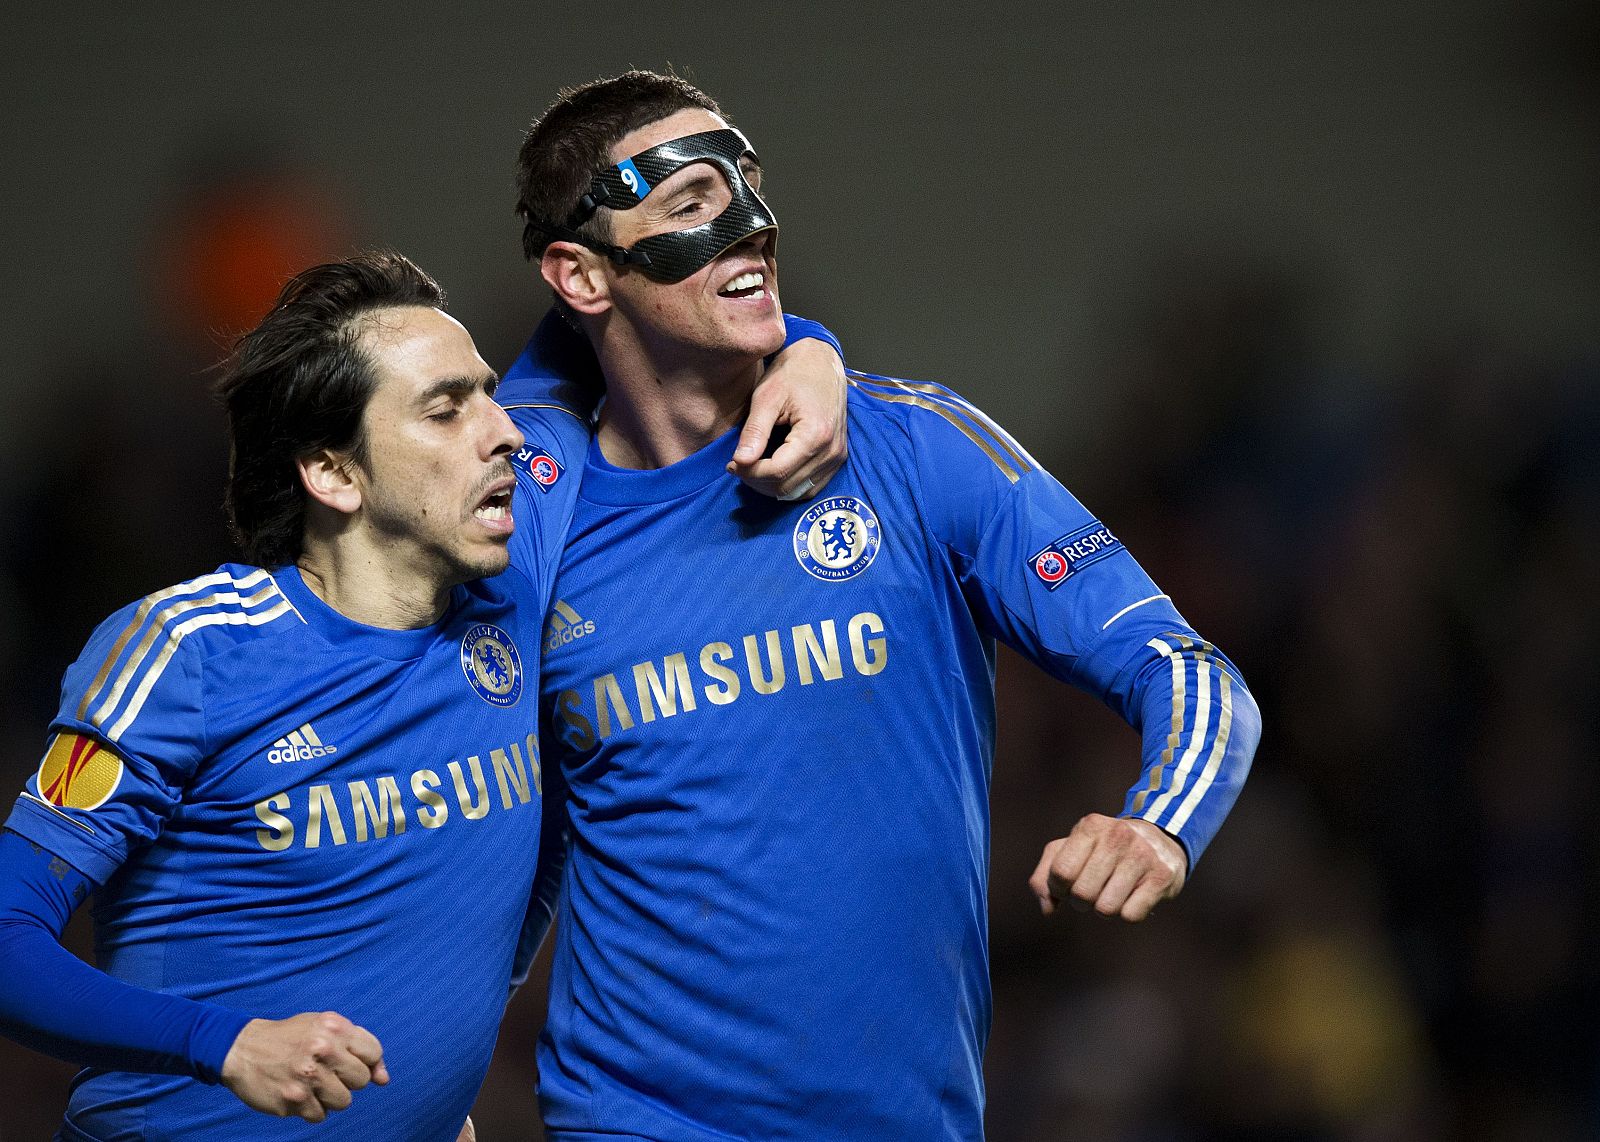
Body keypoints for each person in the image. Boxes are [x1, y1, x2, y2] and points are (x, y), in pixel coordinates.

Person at [505, 70, 1262, 1140]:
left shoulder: (917, 448)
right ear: (580, 274)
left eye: (749, 188)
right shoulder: (522, 526)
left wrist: (1160, 826)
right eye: (690, 206)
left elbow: (1184, 667)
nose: (752, 227)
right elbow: (498, 846)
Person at [0, 251, 847, 1138]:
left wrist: (809, 352)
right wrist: (228, 1043)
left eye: (488, 394)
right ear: (334, 473)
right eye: (446, 410)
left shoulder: (514, 590)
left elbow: (602, 318)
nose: (504, 432)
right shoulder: (192, 653)